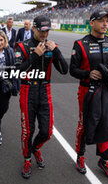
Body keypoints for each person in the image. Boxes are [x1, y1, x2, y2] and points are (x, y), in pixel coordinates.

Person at [70, 9, 108, 181]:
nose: (105, 24)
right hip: (87, 91)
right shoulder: (81, 44)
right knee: (84, 125)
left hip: (107, 92)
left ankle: (104, 160)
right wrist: (87, 73)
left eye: (107, 21)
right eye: (101, 20)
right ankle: (80, 157)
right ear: (92, 23)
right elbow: (72, 70)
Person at [15, 15, 68, 179]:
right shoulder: (21, 46)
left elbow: (64, 70)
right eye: (42, 30)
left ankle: (35, 148)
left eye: (47, 31)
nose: (45, 34)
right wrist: (34, 56)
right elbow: (17, 72)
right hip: (27, 90)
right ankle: (27, 159)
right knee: (27, 130)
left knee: (47, 131)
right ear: (34, 28)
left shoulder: (52, 46)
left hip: (45, 90)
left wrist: (56, 51)